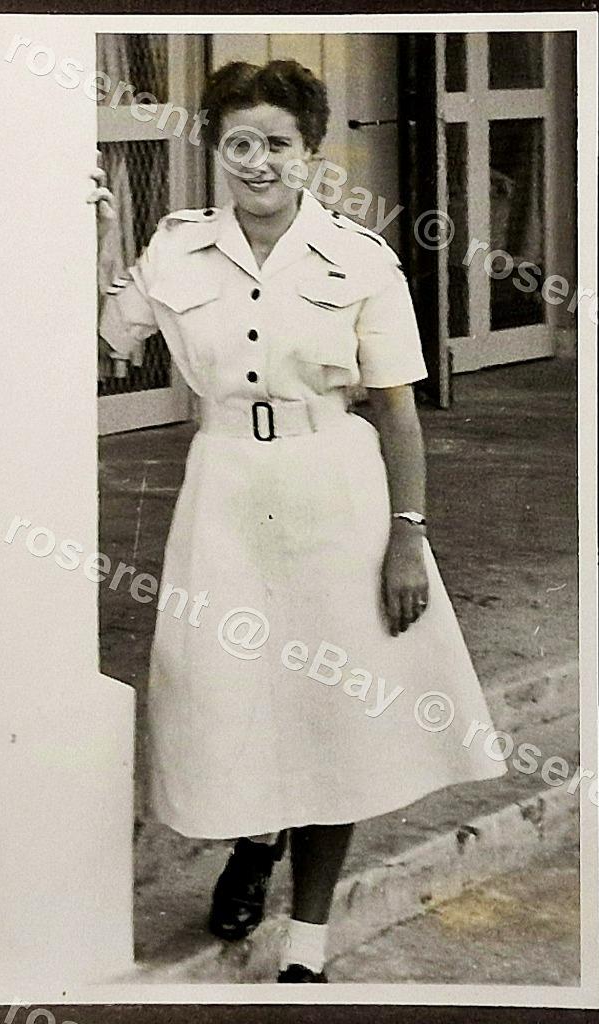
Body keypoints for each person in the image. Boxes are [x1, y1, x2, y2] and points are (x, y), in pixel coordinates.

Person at [90, 58, 506, 984]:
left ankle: (307, 942)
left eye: (277, 142)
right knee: (218, 690)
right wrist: (108, 232)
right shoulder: (177, 248)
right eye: (239, 142)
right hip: (225, 490)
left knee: (338, 713)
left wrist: (409, 533)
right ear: (217, 150)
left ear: (309, 154)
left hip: (335, 491)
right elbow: (109, 337)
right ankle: (254, 839)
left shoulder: (358, 258)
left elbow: (396, 408)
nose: (257, 161)